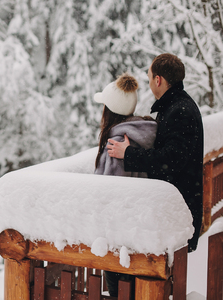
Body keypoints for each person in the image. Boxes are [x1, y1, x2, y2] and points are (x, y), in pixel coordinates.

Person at [107, 53, 204, 253]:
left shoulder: (180, 111)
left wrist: (128, 154)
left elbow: (170, 159)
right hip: (175, 209)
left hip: (177, 212)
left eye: (150, 77)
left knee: (170, 277)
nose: (150, 82)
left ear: (158, 80)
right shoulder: (176, 106)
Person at [94, 72, 157, 298]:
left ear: (109, 111)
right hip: (139, 230)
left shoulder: (117, 143)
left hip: (121, 236)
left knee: (119, 291)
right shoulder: (141, 133)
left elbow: (111, 190)